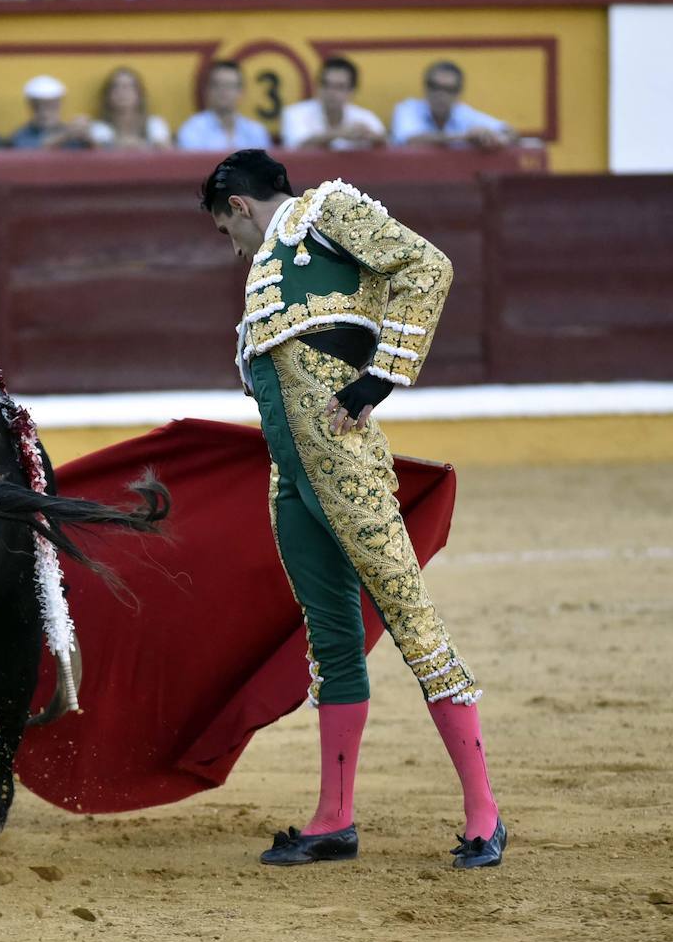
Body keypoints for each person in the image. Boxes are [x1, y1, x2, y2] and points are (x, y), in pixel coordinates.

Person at [198, 149, 505, 870]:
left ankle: (485, 816)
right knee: (331, 641)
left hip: (345, 462)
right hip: (292, 476)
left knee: (411, 620)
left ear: (238, 206)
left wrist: (379, 380)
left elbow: (428, 267)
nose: (230, 246)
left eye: (223, 229)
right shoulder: (267, 268)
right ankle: (334, 819)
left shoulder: (328, 211)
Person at [390, 60, 514, 148]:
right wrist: (466, 137)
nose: (441, 95)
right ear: (425, 88)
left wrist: (498, 139)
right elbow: (411, 140)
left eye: (449, 90)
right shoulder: (407, 108)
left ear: (458, 94)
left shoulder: (463, 113)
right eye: (435, 87)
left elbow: (509, 131)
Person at [280, 56, 387, 151]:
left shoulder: (365, 117)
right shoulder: (294, 114)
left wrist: (372, 137)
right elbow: (296, 148)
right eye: (325, 84)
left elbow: (387, 146)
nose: (331, 92)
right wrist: (339, 134)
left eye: (339, 87)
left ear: (352, 91)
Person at [177, 60, 273, 152]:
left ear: (241, 91)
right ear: (207, 90)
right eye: (217, 85)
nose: (223, 91)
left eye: (229, 86)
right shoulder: (193, 129)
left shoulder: (256, 132)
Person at [89, 67, 173, 150]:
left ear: (139, 95)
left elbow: (166, 151)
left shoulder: (155, 123)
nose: (121, 92)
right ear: (107, 96)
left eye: (128, 87)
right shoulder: (98, 127)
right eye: (115, 87)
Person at [8, 75, 95, 150]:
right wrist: (66, 135)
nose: (45, 111)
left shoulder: (71, 133)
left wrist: (87, 139)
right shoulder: (22, 135)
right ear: (31, 106)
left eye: (52, 105)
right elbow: (29, 152)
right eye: (39, 105)